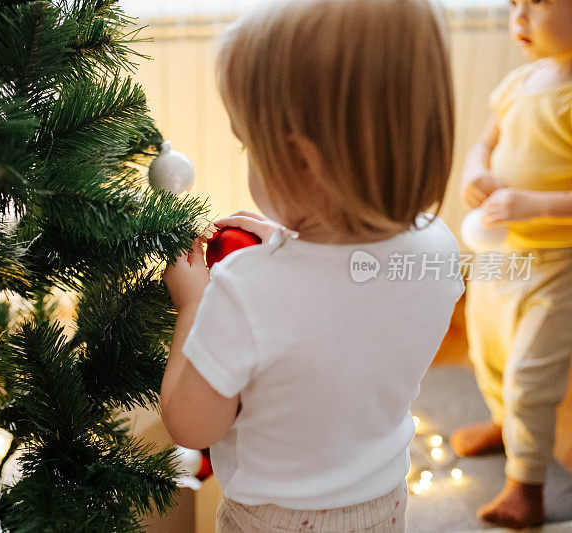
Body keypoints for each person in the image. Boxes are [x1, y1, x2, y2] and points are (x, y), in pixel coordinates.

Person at [159, 0, 465, 531]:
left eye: (247, 146)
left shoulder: (245, 289)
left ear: (301, 160)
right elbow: (349, 308)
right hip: (385, 503)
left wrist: (193, 305)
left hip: (272, 519)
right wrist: (293, 242)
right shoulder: (439, 249)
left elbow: (191, 424)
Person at [450, 0, 572, 528]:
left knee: (530, 371)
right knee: (490, 349)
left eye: (537, 4)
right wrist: (474, 174)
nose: (518, 18)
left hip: (558, 262)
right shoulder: (519, 83)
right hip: (501, 257)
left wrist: (536, 203)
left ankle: (528, 483)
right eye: (513, 5)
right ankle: (505, 424)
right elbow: (484, 145)